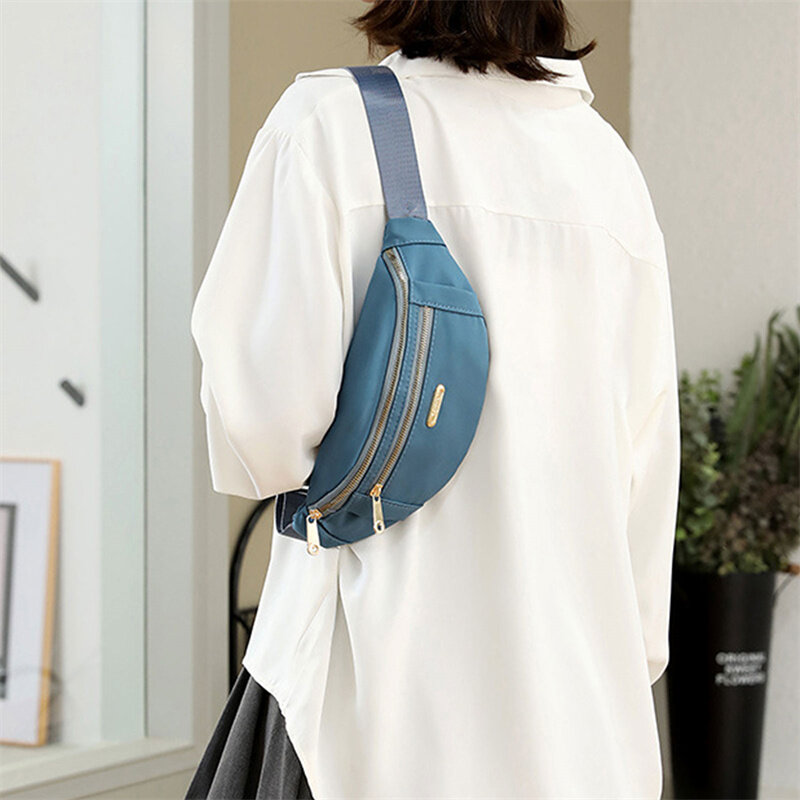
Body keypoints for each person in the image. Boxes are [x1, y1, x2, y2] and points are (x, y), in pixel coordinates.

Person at [187, 1, 681, 798]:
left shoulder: (329, 125)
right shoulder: (606, 164)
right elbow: (644, 491)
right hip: (577, 730)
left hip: (366, 712)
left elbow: (261, 436)